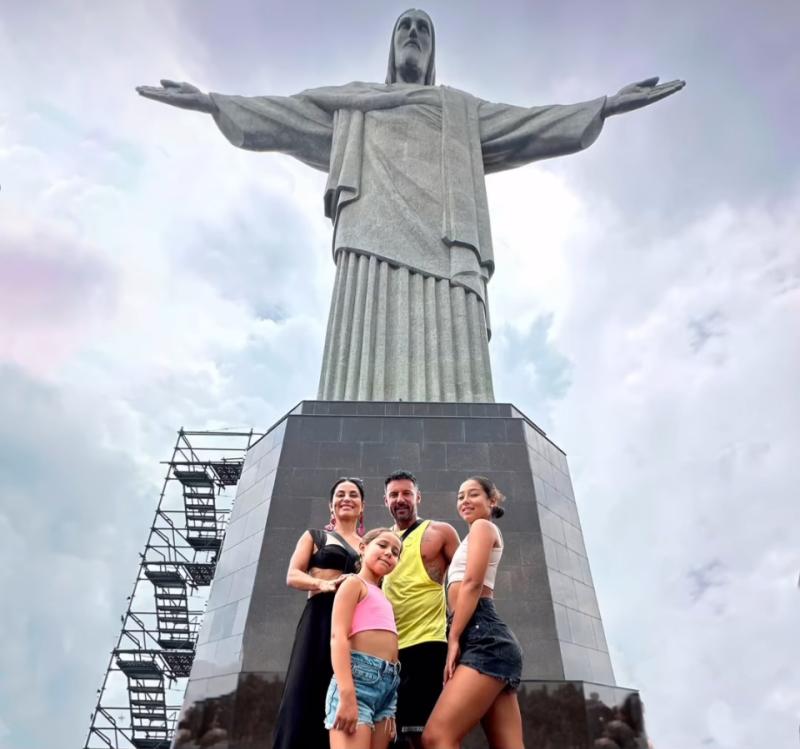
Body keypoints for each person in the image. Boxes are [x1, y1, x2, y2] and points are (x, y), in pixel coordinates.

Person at [136, 10, 684, 403]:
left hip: (448, 242)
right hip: (369, 234)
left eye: (423, 28)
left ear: (433, 50)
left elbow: (530, 124)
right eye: (406, 27)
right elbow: (283, 115)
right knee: (360, 355)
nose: (415, 34)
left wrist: (605, 107)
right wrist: (211, 103)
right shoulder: (354, 103)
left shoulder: (459, 110)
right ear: (393, 45)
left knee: (456, 360)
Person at [422, 476, 523, 749]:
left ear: (492, 501)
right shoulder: (474, 536)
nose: (465, 500)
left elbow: (472, 583)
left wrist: (454, 638)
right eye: (460, 496)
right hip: (486, 637)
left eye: (473, 494)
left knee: (436, 737)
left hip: (483, 636)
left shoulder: (483, 526)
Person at [272, 477, 365, 749]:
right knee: (304, 690)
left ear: (362, 506)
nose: (346, 498)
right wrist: (323, 584)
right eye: (340, 494)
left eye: (353, 495)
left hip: (353, 625)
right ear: (330, 505)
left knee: (342, 692)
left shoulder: (368, 545)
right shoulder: (315, 537)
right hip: (319, 619)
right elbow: (292, 575)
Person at [381, 470, 459, 749]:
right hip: (390, 653)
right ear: (386, 501)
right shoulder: (382, 542)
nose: (400, 499)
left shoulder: (439, 532)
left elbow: (464, 582)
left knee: (427, 736)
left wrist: (458, 636)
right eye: (393, 495)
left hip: (428, 645)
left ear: (418, 497)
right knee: (393, 737)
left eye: (406, 493)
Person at [326, 528, 404, 749]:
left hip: (388, 686)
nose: (389, 553)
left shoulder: (383, 597)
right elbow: (338, 637)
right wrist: (347, 694)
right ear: (362, 547)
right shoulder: (354, 584)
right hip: (357, 684)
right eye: (382, 545)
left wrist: (389, 699)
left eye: (395, 552)